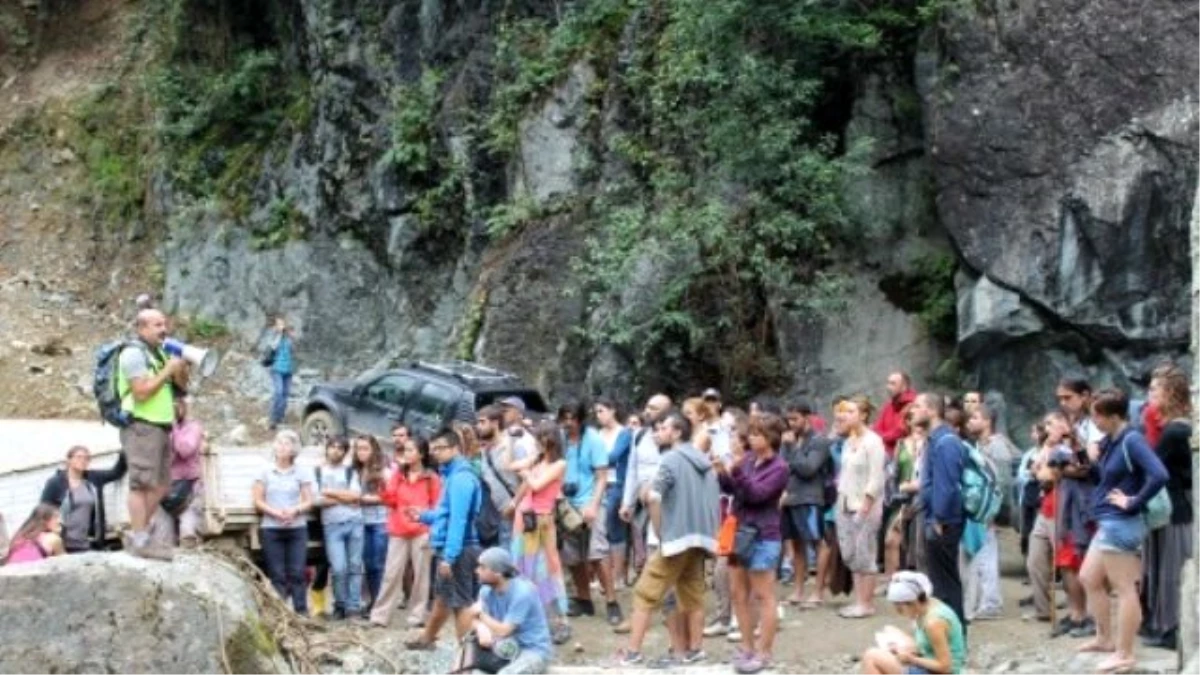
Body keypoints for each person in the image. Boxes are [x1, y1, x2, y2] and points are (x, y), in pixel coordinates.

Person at [617, 412, 720, 667]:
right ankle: (695, 650)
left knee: (644, 593)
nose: (657, 432)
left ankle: (632, 652)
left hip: (676, 540)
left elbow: (654, 496)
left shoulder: (671, 459)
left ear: (676, 433)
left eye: (663, 428)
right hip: (700, 538)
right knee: (693, 595)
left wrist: (645, 497)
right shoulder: (703, 461)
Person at [1077, 388, 1168, 672]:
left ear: (1115, 416)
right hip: (1108, 521)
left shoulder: (1132, 440)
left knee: (1125, 588)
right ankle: (1104, 638)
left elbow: (1159, 474)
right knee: (1089, 577)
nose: (1094, 423)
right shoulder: (1111, 441)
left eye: (1098, 417)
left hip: (1122, 522)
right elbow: (1103, 478)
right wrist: (1091, 457)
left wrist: (1134, 501)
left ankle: (1125, 652)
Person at [717, 413, 789, 674]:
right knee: (738, 593)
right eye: (752, 433)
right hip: (740, 531)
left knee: (763, 595)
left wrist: (736, 472)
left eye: (757, 434)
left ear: (771, 438)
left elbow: (759, 495)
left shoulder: (780, 467)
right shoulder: (747, 460)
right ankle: (747, 646)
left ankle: (764, 651)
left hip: (764, 534)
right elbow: (734, 491)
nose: (751, 437)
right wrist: (722, 473)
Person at [119, 308, 189, 560]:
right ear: (142, 328)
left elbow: (181, 386)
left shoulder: (160, 353)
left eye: (164, 324)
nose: (164, 329)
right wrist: (167, 370)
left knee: (161, 486)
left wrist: (179, 367)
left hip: (161, 426)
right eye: (157, 325)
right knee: (141, 484)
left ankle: (140, 535)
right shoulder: (132, 354)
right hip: (140, 426)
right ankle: (140, 537)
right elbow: (141, 392)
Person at [407, 428, 485, 649]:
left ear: (455, 448)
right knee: (442, 598)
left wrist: (449, 557)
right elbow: (445, 514)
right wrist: (422, 515)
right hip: (453, 547)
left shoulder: (461, 478)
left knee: (461, 603)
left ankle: (467, 657)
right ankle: (427, 639)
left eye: (440, 448)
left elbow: (458, 521)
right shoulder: (450, 475)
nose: (435, 453)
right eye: (433, 449)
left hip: (460, 549)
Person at [1141, 363, 1193, 649]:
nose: (1148, 394)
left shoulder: (1175, 430)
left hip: (1174, 509)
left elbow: (1152, 464)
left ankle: (1173, 627)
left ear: (1170, 393)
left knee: (1172, 570)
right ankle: (1165, 624)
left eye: (1154, 389)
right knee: (1165, 568)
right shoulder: (1178, 426)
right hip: (1172, 506)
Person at [508, 422, 571, 644]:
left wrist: (526, 472)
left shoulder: (559, 464)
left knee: (546, 567)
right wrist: (513, 440)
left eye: (541, 438)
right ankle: (527, 618)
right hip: (524, 516)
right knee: (522, 566)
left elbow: (536, 485)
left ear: (551, 440)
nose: (537, 442)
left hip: (542, 519)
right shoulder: (537, 459)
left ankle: (557, 620)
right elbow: (511, 465)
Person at [558, 401, 618, 624]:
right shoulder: (561, 439)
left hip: (591, 500)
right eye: (564, 418)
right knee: (573, 555)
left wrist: (593, 505)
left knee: (597, 553)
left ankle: (612, 601)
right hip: (567, 502)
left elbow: (602, 476)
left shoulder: (593, 438)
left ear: (581, 419)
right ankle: (584, 599)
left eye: (572, 418)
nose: (568, 423)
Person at [911, 392, 967, 630]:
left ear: (932, 411)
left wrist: (939, 518)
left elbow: (947, 485)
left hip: (943, 521)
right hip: (935, 517)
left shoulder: (946, 442)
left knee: (945, 581)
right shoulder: (935, 440)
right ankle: (946, 631)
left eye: (917, 406)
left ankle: (952, 633)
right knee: (940, 579)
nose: (912, 410)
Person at [372, 436, 441, 628]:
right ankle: (380, 616)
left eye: (411, 450)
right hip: (398, 530)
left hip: (422, 531)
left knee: (421, 575)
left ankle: (417, 617)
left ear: (422, 454)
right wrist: (383, 487)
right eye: (405, 450)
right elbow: (390, 501)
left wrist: (429, 524)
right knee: (391, 574)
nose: (407, 454)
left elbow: (437, 507)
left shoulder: (432, 478)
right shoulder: (398, 475)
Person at [461, 547, 554, 675]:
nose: (477, 571)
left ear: (497, 573)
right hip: (504, 649)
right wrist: (480, 627)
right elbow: (472, 617)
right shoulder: (486, 591)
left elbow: (504, 630)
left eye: (482, 567)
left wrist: (481, 615)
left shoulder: (522, 593)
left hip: (532, 651)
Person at [835, 395, 887, 619]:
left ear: (864, 415)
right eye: (845, 411)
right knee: (850, 554)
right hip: (845, 501)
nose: (846, 415)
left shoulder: (873, 441)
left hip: (865, 505)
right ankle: (858, 600)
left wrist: (865, 505)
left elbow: (877, 477)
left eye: (852, 411)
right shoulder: (848, 441)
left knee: (865, 552)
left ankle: (866, 603)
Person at [252, 429, 313, 613]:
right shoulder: (265, 471)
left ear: (294, 449)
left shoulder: (301, 471)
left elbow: (309, 500)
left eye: (286, 443)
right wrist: (276, 513)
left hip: (296, 528)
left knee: (297, 573)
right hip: (271, 528)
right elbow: (257, 500)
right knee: (276, 574)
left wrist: (295, 510)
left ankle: (301, 612)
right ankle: (281, 615)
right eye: (279, 442)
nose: (282, 447)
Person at [859, 571, 967, 675]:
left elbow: (945, 667)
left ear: (913, 602)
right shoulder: (929, 605)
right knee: (889, 630)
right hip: (929, 661)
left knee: (871, 656)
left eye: (900, 609)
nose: (900, 614)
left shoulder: (933, 623)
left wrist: (912, 659)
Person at [781, 399, 833, 606]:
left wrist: (793, 449)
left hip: (811, 498)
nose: (791, 423)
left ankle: (818, 592)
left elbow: (809, 468)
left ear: (807, 417)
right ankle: (798, 590)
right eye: (789, 420)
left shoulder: (819, 441)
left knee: (818, 543)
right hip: (790, 498)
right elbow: (782, 467)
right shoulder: (790, 441)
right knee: (796, 544)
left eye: (795, 419)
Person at [959, 404, 1007, 621]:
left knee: (987, 554)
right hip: (978, 509)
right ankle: (983, 600)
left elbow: (1002, 483)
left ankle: (991, 602)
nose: (970, 422)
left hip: (987, 511)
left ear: (988, 421)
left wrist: (992, 512)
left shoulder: (997, 448)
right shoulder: (977, 446)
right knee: (977, 553)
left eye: (975, 418)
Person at [39, 446, 128, 553]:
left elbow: (115, 473)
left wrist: (126, 452)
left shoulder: (93, 478)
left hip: (89, 542)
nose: (83, 461)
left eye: (87, 458)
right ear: (69, 460)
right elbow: (42, 510)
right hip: (64, 543)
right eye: (79, 457)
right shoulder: (56, 483)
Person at [315, 436, 364, 620]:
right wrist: (344, 497)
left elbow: (356, 496)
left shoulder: (350, 472)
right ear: (326, 449)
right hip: (332, 525)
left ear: (345, 452)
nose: (335, 451)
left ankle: (353, 607)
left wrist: (329, 492)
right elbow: (317, 500)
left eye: (340, 448)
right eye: (332, 447)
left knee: (355, 566)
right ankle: (340, 604)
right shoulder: (318, 472)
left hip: (355, 522)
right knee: (338, 568)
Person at [594, 397, 633, 591]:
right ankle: (605, 576)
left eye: (601, 411)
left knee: (614, 527)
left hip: (617, 484)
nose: (598, 415)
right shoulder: (598, 433)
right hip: (599, 484)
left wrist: (595, 460)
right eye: (596, 412)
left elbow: (614, 456)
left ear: (612, 410)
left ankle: (618, 576)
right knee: (601, 529)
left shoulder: (624, 433)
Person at [352, 435, 390, 616]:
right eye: (358, 448)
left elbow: (390, 496)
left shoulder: (383, 470)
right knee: (366, 564)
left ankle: (379, 604)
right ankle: (371, 602)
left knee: (377, 564)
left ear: (373, 449)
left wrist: (365, 499)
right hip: (361, 520)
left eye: (365, 448)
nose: (361, 452)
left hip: (380, 521)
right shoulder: (355, 470)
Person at [478, 405, 521, 550]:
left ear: (495, 423)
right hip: (498, 517)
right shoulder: (485, 451)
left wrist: (514, 504)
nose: (479, 426)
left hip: (518, 514)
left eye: (482, 422)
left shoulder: (512, 445)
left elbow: (529, 477)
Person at [167, 397, 205, 547]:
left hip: (189, 485)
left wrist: (174, 429)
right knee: (164, 535)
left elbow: (185, 450)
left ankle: (189, 544)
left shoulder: (193, 427)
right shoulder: (163, 428)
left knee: (187, 529)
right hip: (167, 486)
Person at [263, 315, 295, 431]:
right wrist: (279, 333)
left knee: (286, 394)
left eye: (283, 324)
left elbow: (292, 349)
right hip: (276, 369)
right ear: (275, 326)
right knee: (278, 393)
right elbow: (273, 346)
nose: (282, 326)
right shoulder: (273, 335)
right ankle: (273, 418)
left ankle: (280, 417)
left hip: (288, 369)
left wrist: (291, 335)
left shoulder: (288, 336)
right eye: (279, 324)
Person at [875, 371, 917, 457]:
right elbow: (877, 427)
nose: (888, 387)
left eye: (892, 384)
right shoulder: (888, 405)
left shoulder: (913, 405)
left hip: (904, 455)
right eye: (888, 383)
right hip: (884, 452)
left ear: (904, 387)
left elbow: (901, 432)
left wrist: (881, 437)